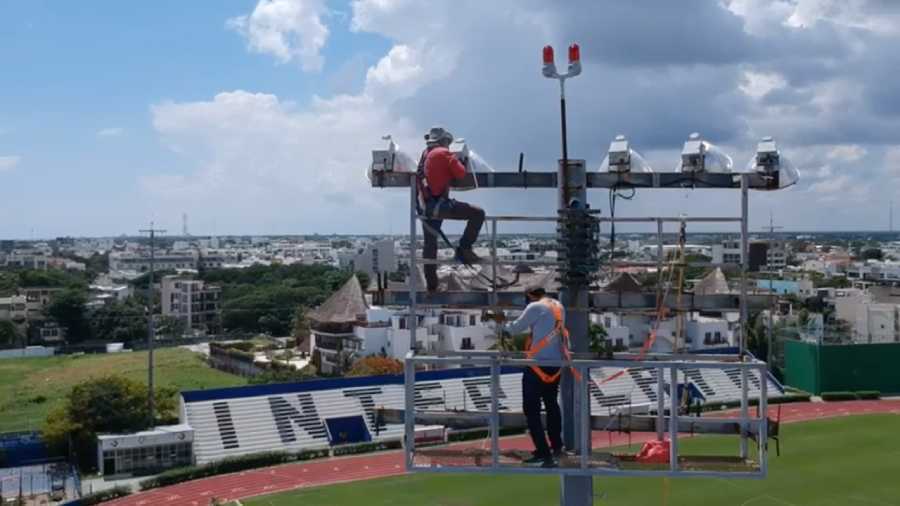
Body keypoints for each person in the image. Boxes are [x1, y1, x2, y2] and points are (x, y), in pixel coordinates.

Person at [495, 285, 568, 468]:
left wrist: (500, 323)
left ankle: (543, 453)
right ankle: (557, 447)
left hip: (537, 366)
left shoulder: (535, 307)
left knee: (532, 410)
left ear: (529, 296)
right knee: (551, 405)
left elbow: (514, 329)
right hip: (555, 365)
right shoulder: (558, 306)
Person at [418, 126, 485, 292]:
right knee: (478, 213)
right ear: (444, 141)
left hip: (425, 205)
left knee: (430, 245)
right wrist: (458, 160)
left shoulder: (425, 154)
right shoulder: (443, 153)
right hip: (439, 204)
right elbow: (461, 174)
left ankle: (432, 285)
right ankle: (464, 248)